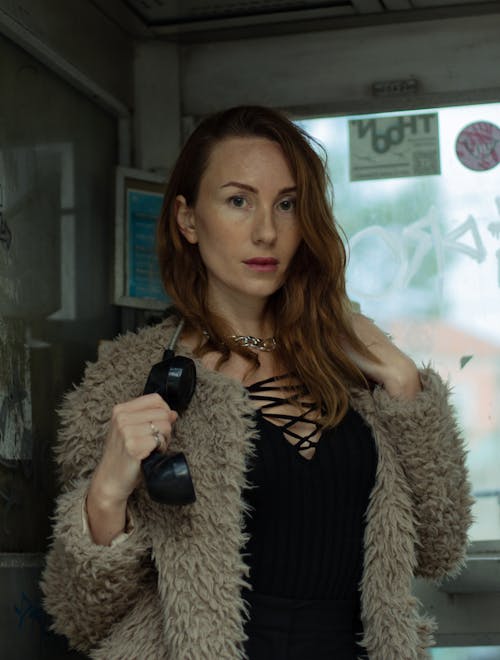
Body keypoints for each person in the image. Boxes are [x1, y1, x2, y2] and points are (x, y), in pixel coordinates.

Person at [41, 105, 473, 660]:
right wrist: (105, 495)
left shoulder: (353, 368)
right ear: (188, 219)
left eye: (287, 204)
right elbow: (81, 618)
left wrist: (403, 381)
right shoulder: (124, 383)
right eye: (238, 200)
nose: (267, 230)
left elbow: (441, 547)